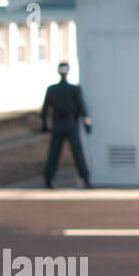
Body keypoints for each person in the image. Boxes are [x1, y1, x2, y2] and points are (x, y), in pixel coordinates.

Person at [41, 61, 93, 189]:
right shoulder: (74, 90)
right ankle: (85, 179)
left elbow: (44, 109)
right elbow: (82, 108)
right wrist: (87, 122)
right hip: (70, 124)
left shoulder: (52, 89)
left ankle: (48, 179)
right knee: (77, 152)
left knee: (54, 153)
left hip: (57, 124)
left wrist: (45, 124)